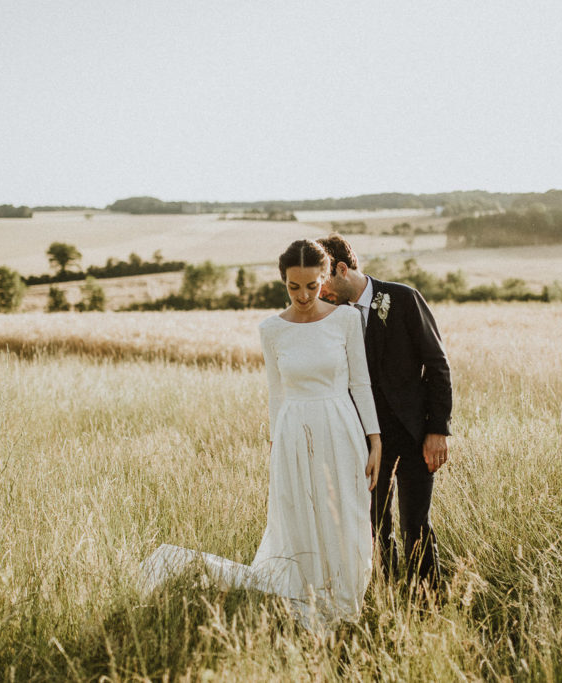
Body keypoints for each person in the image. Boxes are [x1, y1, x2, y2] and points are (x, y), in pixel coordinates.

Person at [139, 239, 381, 628]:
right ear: (283, 282)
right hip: (292, 435)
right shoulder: (271, 329)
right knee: (300, 520)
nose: (303, 295)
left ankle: (345, 608)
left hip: (341, 429)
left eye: (311, 286)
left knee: (348, 522)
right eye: (293, 287)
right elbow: (276, 392)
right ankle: (305, 600)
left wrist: (375, 439)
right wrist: (275, 446)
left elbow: (361, 384)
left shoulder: (346, 320)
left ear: (324, 278)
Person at [317, 234, 452, 591]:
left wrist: (437, 430)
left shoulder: (403, 298)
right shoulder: (331, 316)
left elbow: (437, 366)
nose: (319, 292)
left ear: (342, 269)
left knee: (415, 525)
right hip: (363, 439)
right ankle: (387, 597)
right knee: (374, 526)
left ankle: (429, 604)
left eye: (323, 281)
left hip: (413, 434)